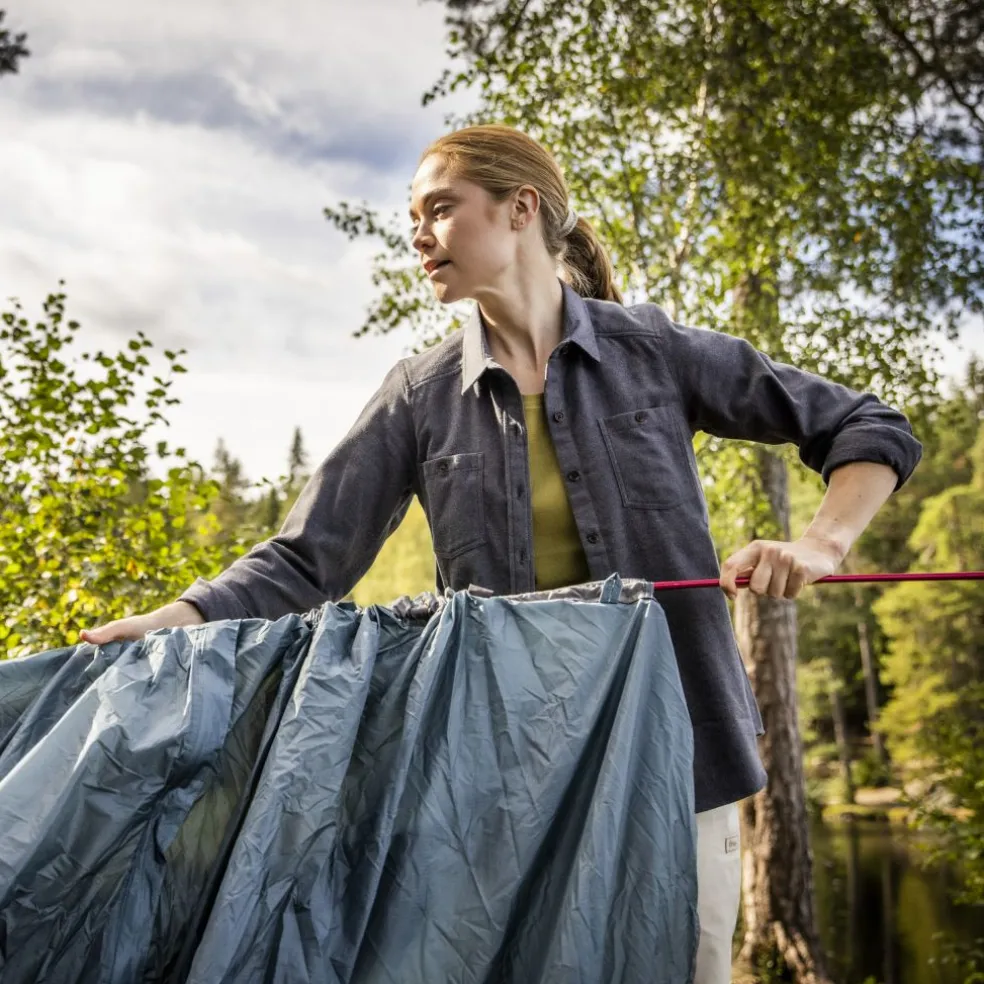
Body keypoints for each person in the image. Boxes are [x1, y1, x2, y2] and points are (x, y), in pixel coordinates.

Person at [81, 123, 922, 983]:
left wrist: (822, 543)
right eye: (412, 216)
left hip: (684, 757)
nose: (417, 234)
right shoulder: (418, 395)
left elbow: (869, 426)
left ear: (520, 209)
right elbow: (304, 560)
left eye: (439, 209)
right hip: (498, 772)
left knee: (689, 967)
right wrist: (176, 618)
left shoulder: (655, 352)